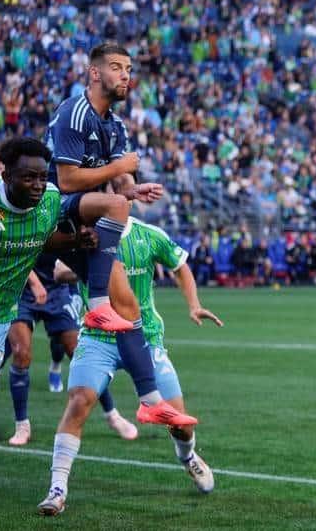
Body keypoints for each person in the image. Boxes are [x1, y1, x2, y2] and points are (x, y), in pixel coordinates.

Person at [45, 41, 194, 427]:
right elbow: (67, 179)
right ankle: (95, 306)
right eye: (116, 67)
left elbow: (116, 178)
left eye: (128, 68)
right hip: (51, 210)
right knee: (115, 209)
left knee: (127, 307)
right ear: (94, 73)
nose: (125, 75)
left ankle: (148, 401)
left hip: (87, 218)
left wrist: (130, 189)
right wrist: (120, 179)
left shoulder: (115, 123)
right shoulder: (74, 113)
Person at [38, 217, 224, 516]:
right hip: (99, 337)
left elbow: (180, 267)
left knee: (181, 423)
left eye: (122, 184)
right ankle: (57, 489)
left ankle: (188, 457)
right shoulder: (88, 235)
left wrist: (193, 304)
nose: (115, 191)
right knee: (78, 403)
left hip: (145, 336)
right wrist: (88, 269)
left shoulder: (150, 235)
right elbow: (59, 271)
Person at [0, 138, 96, 420]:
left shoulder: (49, 198)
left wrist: (75, 240)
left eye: (41, 176)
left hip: (0, 314)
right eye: (28, 177)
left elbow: (45, 240)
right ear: (6, 176)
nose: (38, 184)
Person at [5, 256, 138, 446]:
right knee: (21, 352)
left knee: (81, 353)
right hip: (20, 289)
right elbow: (15, 255)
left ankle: (113, 415)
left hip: (57, 291)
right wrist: (34, 282)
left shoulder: (65, 227)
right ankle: (22, 425)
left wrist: (86, 271)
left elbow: (71, 263)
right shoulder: (23, 226)